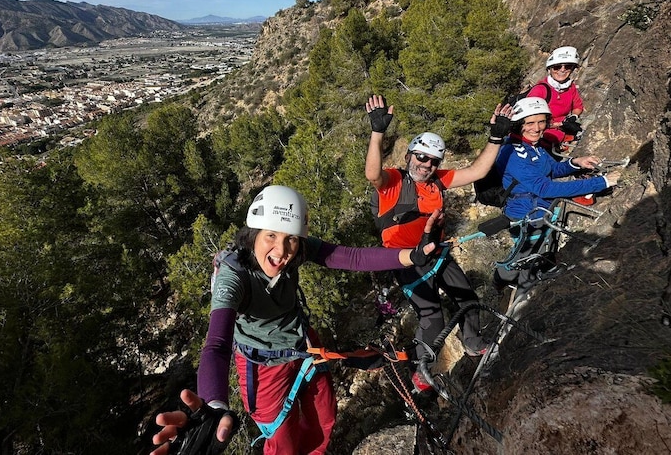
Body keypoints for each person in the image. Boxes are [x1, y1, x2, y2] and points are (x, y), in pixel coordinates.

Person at [151, 185, 440, 455]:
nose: (281, 251)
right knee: (282, 443)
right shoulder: (234, 275)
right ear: (254, 234)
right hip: (263, 367)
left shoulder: (296, 250)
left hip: (303, 346)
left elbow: (351, 257)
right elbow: (217, 343)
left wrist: (412, 256)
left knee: (324, 418)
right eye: (271, 236)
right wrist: (213, 404)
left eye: (291, 238)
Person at [364, 94, 514, 394]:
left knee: (468, 300)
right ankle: (420, 370)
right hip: (406, 260)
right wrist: (377, 132)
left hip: (438, 253)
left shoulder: (438, 181)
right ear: (409, 156)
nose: (427, 164)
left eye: (433, 161)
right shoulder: (394, 182)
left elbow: (477, 172)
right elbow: (373, 174)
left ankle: (472, 343)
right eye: (421, 157)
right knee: (432, 316)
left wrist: (496, 138)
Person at [492, 96, 622, 293]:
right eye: (529, 123)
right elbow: (545, 188)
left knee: (536, 254)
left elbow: (551, 170)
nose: (536, 128)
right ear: (519, 125)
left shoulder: (534, 146)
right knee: (529, 262)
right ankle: (518, 300)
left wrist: (575, 163)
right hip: (526, 215)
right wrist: (601, 182)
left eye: (541, 121)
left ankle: (506, 279)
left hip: (541, 211)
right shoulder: (512, 153)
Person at [527, 46, 585, 154]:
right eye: (557, 67)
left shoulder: (571, 87)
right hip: (542, 136)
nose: (562, 70)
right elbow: (529, 120)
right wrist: (560, 124)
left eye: (567, 66)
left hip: (563, 134)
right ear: (550, 69)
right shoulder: (540, 90)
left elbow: (578, 106)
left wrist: (573, 116)